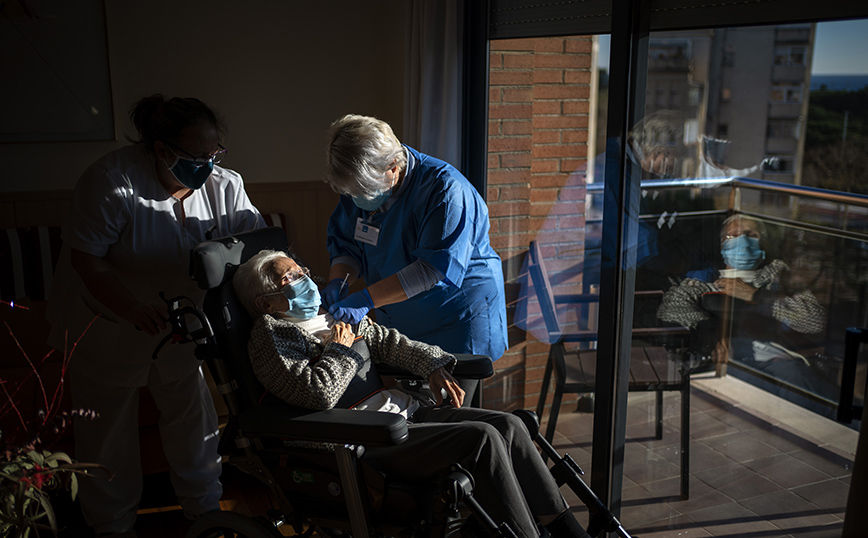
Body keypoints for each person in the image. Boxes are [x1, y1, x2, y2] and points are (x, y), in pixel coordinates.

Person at [232, 249, 591, 538]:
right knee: (481, 439)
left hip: (402, 416)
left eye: (303, 270)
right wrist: (340, 350)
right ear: (266, 303)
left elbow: (389, 343)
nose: (306, 280)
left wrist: (432, 366)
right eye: (291, 277)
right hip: (361, 441)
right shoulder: (270, 339)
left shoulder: (330, 314)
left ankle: (566, 529)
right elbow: (315, 393)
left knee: (510, 425)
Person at [46, 95, 266, 537]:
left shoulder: (224, 184)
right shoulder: (112, 181)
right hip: (108, 320)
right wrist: (128, 307)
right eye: (195, 156)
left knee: (192, 416)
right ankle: (111, 525)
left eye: (214, 153)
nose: (207, 164)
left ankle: (205, 513)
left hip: (182, 321)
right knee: (106, 432)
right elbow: (86, 261)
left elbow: (255, 245)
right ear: (162, 150)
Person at [321, 114, 507, 402]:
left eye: (363, 192)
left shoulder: (445, 190)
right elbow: (347, 245)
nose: (357, 199)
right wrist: (340, 280)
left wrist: (364, 300)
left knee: (450, 418)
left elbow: (430, 270)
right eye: (351, 192)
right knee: (414, 411)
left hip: (455, 316)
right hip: (400, 316)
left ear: (393, 167)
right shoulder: (361, 181)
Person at [656, 214, 834, 397]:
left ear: (762, 243)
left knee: (795, 378)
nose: (742, 241)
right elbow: (672, 311)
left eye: (751, 234)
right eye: (732, 236)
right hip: (726, 361)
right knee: (739, 379)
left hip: (776, 361)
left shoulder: (777, 278)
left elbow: (814, 322)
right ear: (722, 246)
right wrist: (709, 338)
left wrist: (756, 296)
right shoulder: (705, 279)